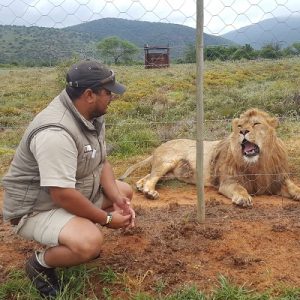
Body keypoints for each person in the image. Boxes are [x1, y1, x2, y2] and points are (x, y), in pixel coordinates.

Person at [2, 59, 136, 299]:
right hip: (36, 207)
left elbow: (100, 160)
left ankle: (75, 232)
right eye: (108, 92)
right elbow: (61, 194)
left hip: (68, 192)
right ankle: (40, 265)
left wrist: (116, 198)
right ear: (89, 94)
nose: (112, 97)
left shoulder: (90, 114)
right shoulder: (55, 133)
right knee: (90, 242)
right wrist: (106, 219)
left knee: (124, 191)